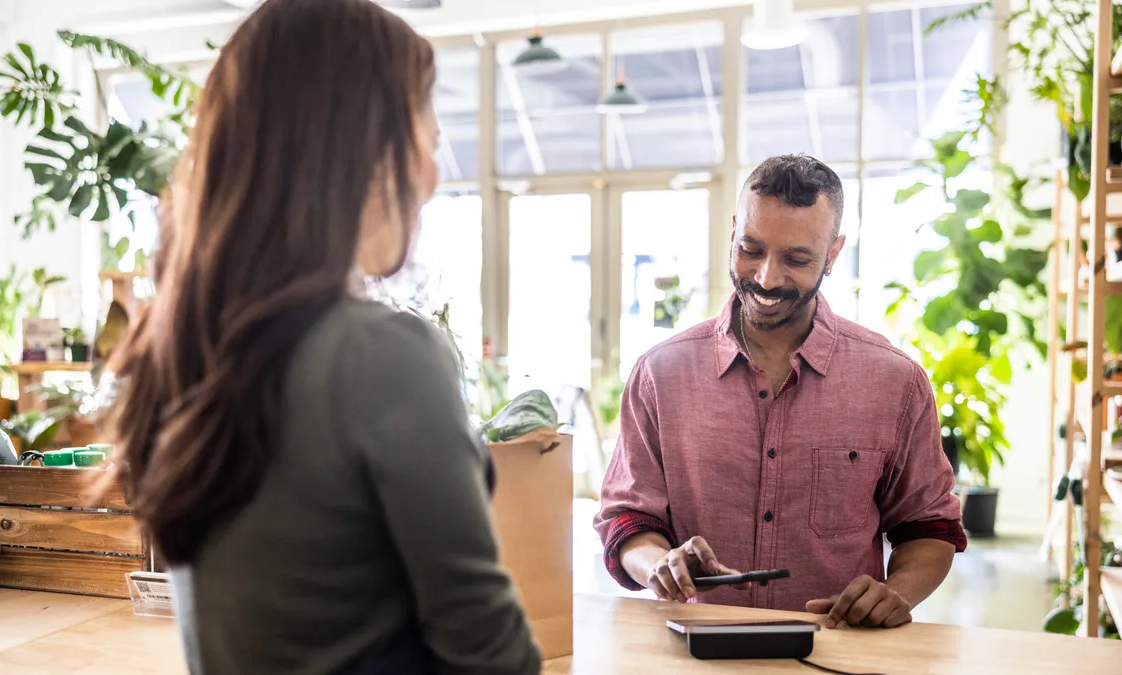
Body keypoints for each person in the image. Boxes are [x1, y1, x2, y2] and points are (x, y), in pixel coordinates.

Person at [103, 1, 541, 673]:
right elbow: (494, 657)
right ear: (362, 154)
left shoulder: (182, 354)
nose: (432, 172)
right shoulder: (383, 356)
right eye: (425, 133)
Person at [593, 154, 966, 630]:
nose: (767, 278)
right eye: (751, 249)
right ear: (732, 234)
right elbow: (626, 518)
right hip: (696, 654)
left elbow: (929, 527)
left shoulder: (894, 381)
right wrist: (657, 564)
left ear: (832, 254)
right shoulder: (659, 374)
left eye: (796, 259)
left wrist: (895, 594)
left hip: (837, 655)